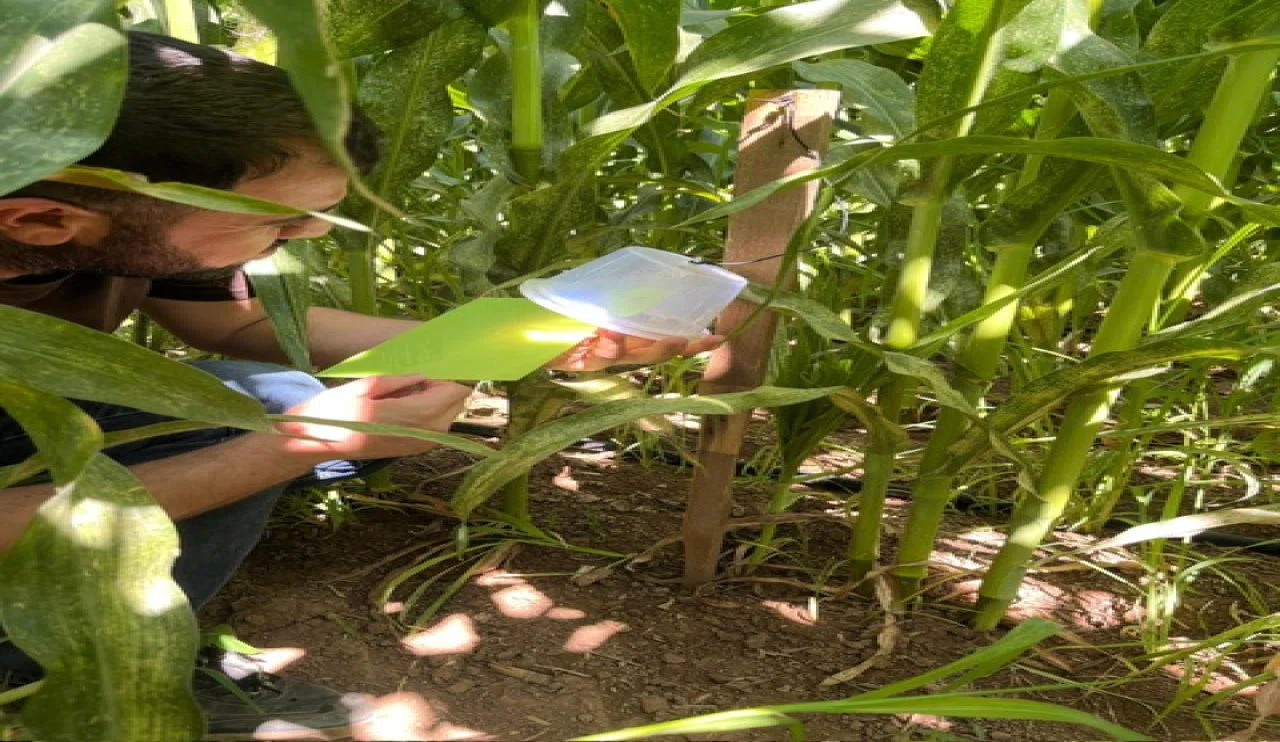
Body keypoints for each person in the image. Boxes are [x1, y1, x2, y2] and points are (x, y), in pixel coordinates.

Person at [0, 31, 720, 740]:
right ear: (41, 221)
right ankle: (66, 669)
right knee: (256, 423)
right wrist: (291, 447)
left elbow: (239, 326)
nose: (313, 234)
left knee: (270, 394)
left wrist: (525, 341)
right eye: (281, 223)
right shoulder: (113, 209)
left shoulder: (119, 214)